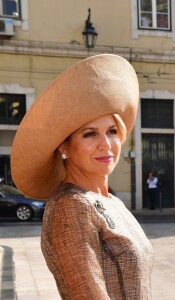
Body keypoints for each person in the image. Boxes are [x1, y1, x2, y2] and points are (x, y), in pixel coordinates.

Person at [11, 54, 154, 299]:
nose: (106, 144)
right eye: (90, 134)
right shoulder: (72, 206)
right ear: (64, 147)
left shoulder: (112, 202)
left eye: (111, 131)